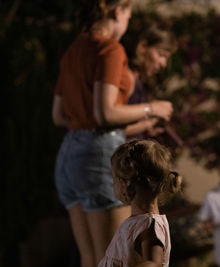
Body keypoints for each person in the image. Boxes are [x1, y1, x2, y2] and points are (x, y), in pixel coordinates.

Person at [51, 1, 173, 266]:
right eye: (129, 14)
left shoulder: (72, 51)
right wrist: (153, 108)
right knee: (121, 256)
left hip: (69, 155)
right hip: (99, 154)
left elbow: (59, 116)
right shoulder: (110, 48)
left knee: (92, 258)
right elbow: (105, 113)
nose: (128, 21)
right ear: (118, 11)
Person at [98, 139, 181, 267]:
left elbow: (154, 263)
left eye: (113, 178)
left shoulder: (149, 225)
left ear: (124, 183)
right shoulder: (139, 223)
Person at [122, 25, 176, 139]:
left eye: (166, 58)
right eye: (161, 55)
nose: (163, 63)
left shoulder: (140, 79)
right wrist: (151, 115)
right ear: (143, 47)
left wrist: (146, 130)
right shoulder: (126, 77)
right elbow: (112, 129)